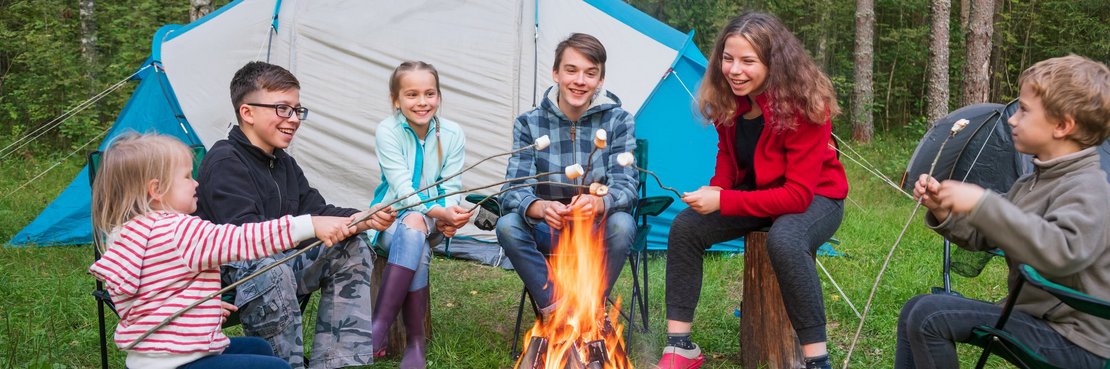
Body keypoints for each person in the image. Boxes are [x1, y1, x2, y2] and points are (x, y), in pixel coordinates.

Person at [656, 12, 848, 369]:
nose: (734, 70)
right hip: (759, 191)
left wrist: (724, 200)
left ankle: (817, 361)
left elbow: (797, 196)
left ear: (773, 63)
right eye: (728, 59)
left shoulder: (806, 105)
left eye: (748, 61)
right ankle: (680, 346)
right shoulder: (731, 99)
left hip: (817, 197)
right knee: (685, 227)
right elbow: (728, 156)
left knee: (785, 240)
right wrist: (716, 191)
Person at [897, 55, 1110, 369]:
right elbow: (984, 235)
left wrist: (984, 203)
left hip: (1079, 341)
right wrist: (944, 211)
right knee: (916, 309)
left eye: (1024, 110)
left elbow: (1062, 252)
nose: (1012, 118)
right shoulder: (1032, 182)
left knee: (932, 315)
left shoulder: (1088, 187)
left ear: (1063, 126)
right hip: (1036, 321)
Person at [88, 133, 361, 369]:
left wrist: (197, 307)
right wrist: (310, 224)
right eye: (186, 177)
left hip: (150, 357)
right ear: (156, 190)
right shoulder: (178, 230)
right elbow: (244, 240)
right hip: (181, 358)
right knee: (276, 366)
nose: (196, 183)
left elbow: (141, 299)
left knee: (259, 349)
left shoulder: (127, 234)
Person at [194, 61, 395, 369]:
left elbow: (317, 211)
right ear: (247, 112)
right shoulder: (224, 161)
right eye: (283, 109)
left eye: (297, 110)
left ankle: (334, 363)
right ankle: (283, 365)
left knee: (352, 246)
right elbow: (244, 241)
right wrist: (311, 225)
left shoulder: (283, 163)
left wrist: (363, 218)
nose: (294, 119)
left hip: (280, 266)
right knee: (269, 267)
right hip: (228, 281)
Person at [495, 32, 638, 320]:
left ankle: (591, 307)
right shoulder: (529, 123)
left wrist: (598, 203)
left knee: (623, 224)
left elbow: (626, 186)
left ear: (600, 80)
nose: (579, 81)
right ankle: (557, 308)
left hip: (597, 227)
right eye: (571, 70)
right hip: (549, 227)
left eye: (590, 73)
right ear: (556, 73)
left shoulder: (619, 120)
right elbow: (513, 189)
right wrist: (541, 207)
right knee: (508, 225)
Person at [368, 61, 470, 368]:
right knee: (414, 231)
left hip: (433, 221)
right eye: (412, 94)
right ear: (396, 100)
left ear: (439, 96)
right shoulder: (387, 131)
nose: (422, 102)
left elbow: (452, 184)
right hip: (390, 218)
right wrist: (434, 211)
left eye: (430, 93)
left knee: (416, 225)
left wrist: (449, 214)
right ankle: (414, 343)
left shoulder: (452, 133)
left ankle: (378, 328)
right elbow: (403, 189)